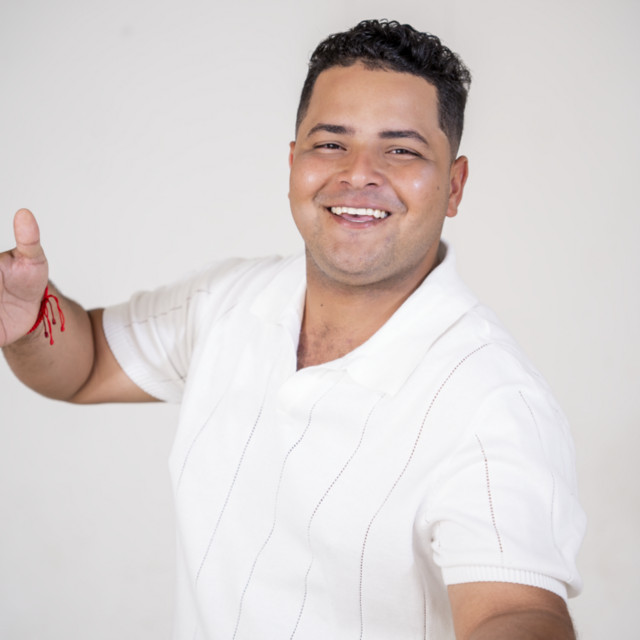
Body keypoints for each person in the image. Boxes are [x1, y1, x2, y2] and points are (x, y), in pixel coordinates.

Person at [1, 19, 584, 640]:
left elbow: (515, 612)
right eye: (331, 143)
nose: (358, 173)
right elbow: (87, 365)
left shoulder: (494, 403)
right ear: (293, 162)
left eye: (402, 150)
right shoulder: (226, 301)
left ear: (454, 186)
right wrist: (29, 318)